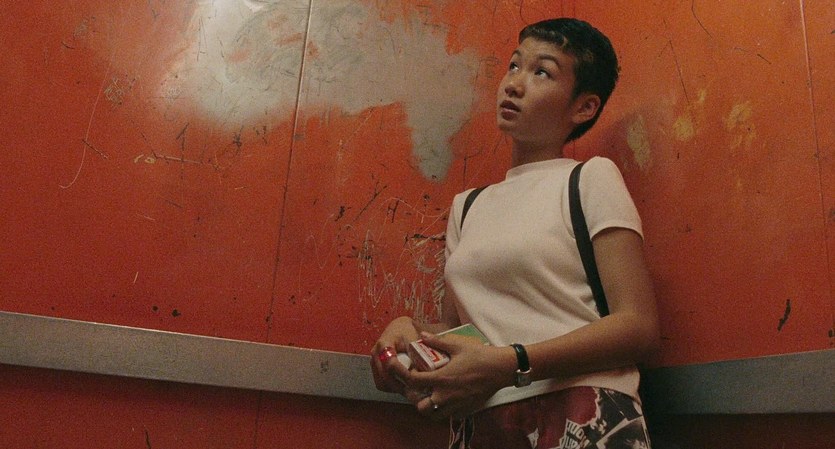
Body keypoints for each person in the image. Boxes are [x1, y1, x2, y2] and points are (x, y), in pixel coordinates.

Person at [371, 17, 659, 448]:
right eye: (514, 65)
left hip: (582, 413)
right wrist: (408, 333)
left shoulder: (589, 178)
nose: (514, 83)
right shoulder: (467, 206)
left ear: (584, 108)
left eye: (542, 72)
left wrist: (513, 364)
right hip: (484, 423)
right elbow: (461, 332)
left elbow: (638, 326)